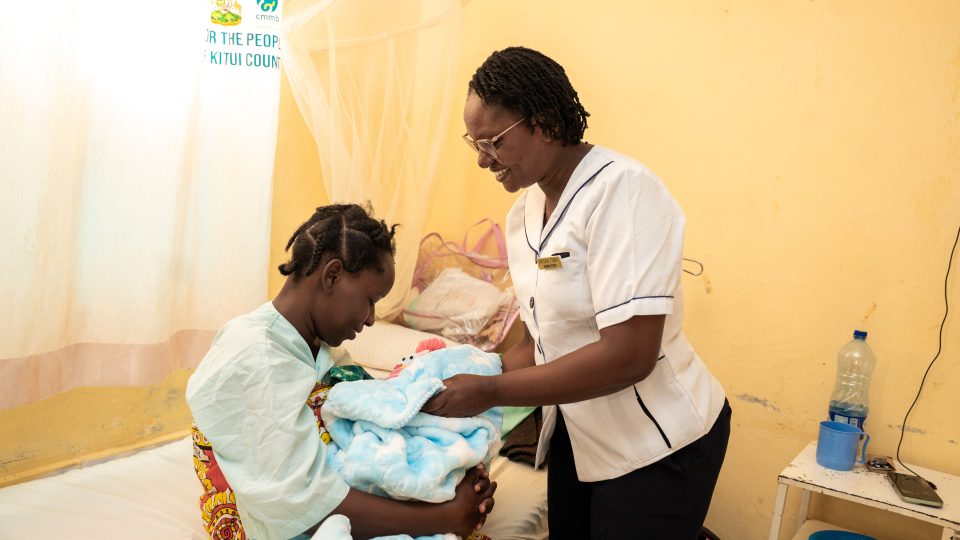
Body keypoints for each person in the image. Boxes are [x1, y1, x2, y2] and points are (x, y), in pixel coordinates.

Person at [422, 47, 731, 539]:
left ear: (544, 123)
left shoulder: (623, 191)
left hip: (656, 442)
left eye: (494, 142)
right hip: (578, 434)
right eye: (474, 143)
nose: (482, 159)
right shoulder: (523, 214)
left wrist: (490, 391)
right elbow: (537, 344)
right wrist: (456, 377)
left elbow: (630, 355)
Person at [186, 203, 496, 540]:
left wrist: (452, 471)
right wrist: (445, 516)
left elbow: (374, 429)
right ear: (332, 275)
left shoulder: (322, 350)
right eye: (371, 300)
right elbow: (302, 506)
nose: (371, 319)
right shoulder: (253, 355)